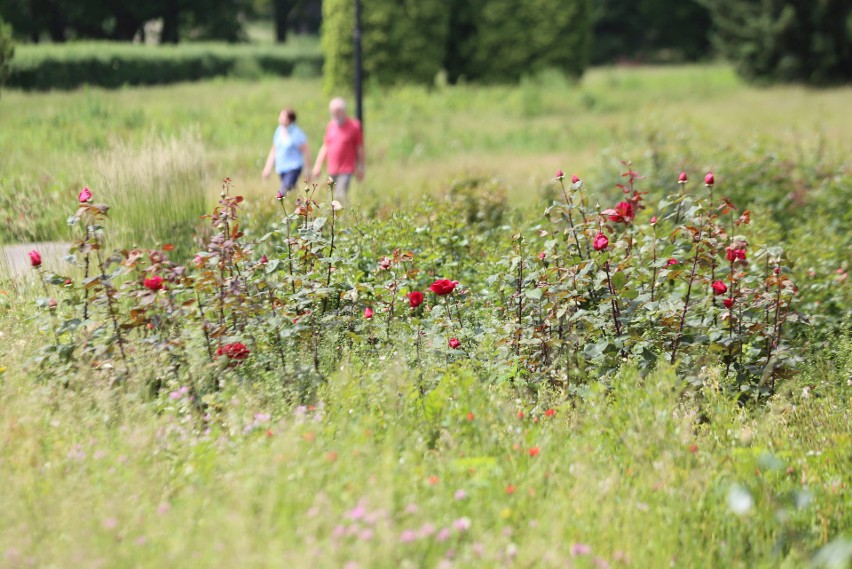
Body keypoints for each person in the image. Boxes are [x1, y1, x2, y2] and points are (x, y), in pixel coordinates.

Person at [312, 97, 364, 201]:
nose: (334, 114)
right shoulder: (330, 126)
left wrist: (361, 167)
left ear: (344, 111)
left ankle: (341, 215)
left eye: (337, 111)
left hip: (347, 168)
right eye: (332, 111)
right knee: (331, 196)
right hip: (332, 168)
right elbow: (325, 146)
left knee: (340, 194)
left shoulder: (354, 126)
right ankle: (338, 215)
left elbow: (359, 148)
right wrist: (317, 165)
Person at [262, 108, 310, 196]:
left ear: (290, 119)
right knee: (292, 191)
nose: (280, 118)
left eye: (283, 116)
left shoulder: (296, 133)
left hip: (293, 167)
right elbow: (274, 150)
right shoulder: (279, 131)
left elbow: (305, 150)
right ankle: (300, 206)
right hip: (282, 168)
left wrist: (307, 169)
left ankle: (279, 205)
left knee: (283, 192)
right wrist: (267, 168)